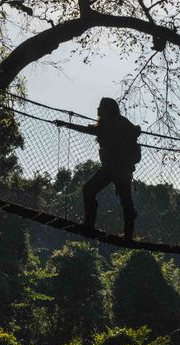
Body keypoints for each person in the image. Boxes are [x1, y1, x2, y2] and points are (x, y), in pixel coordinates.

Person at [55, 98, 141, 240]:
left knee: (119, 199)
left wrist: (65, 124)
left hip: (119, 168)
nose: (97, 109)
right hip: (114, 168)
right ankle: (94, 227)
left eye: (100, 107)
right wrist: (65, 124)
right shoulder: (105, 125)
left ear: (107, 109)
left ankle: (117, 233)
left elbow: (134, 132)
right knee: (94, 191)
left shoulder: (117, 123)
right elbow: (87, 129)